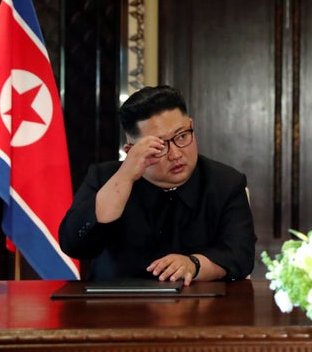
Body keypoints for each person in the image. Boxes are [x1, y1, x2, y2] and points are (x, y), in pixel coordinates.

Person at [59, 85, 256, 285]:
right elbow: (74, 245)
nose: (176, 154)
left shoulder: (225, 182)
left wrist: (193, 265)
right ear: (131, 150)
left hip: (199, 305)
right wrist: (125, 176)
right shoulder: (105, 178)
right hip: (117, 306)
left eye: (182, 136)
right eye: (158, 147)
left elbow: (241, 255)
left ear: (191, 126)